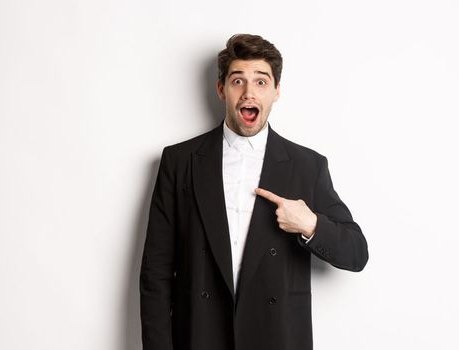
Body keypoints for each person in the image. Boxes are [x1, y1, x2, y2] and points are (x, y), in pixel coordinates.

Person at [140, 33, 369, 350]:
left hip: (277, 338)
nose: (249, 92)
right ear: (221, 89)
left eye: (261, 82)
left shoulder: (307, 166)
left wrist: (310, 224)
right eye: (238, 81)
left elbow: (357, 253)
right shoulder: (180, 162)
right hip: (199, 337)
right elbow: (155, 273)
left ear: (276, 91)